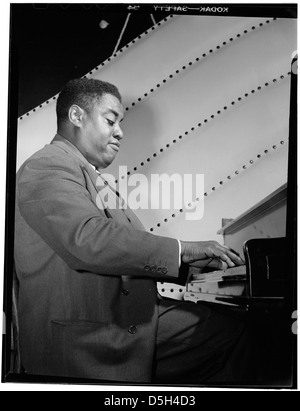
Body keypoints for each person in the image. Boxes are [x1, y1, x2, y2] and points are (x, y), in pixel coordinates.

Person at [14, 78, 255, 385]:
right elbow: (88, 239)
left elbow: (122, 254)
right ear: (76, 116)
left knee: (233, 323)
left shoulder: (83, 172)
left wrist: (191, 263)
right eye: (111, 120)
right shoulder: (48, 164)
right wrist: (182, 250)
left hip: (112, 318)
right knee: (236, 335)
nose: (120, 132)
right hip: (90, 334)